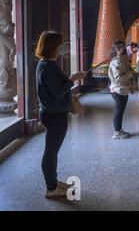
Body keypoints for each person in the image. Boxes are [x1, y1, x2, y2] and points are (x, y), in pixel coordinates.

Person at [35, 30, 87, 199]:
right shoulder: (47, 67)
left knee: (53, 151)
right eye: (61, 43)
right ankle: (51, 188)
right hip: (53, 115)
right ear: (53, 46)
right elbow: (57, 92)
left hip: (54, 113)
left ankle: (54, 182)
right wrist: (72, 79)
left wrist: (72, 79)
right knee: (50, 152)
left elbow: (58, 87)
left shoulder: (49, 64)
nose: (64, 46)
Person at [108, 40, 134, 139]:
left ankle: (119, 129)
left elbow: (128, 71)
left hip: (123, 89)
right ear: (118, 49)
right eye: (123, 47)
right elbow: (118, 79)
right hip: (118, 90)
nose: (125, 49)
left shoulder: (122, 60)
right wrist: (129, 73)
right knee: (118, 111)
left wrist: (131, 85)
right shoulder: (115, 62)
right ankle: (116, 132)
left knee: (121, 111)